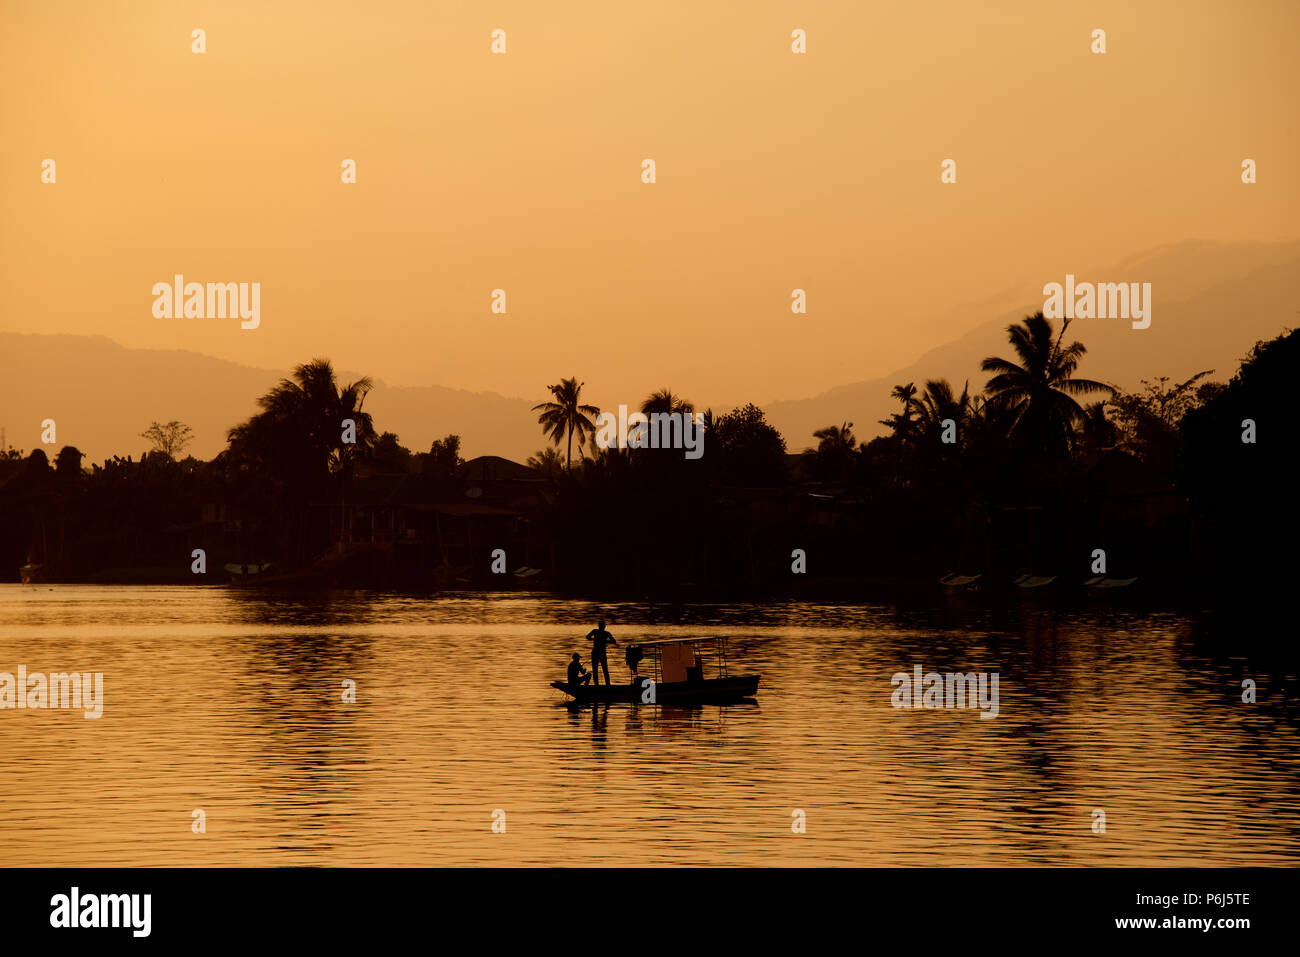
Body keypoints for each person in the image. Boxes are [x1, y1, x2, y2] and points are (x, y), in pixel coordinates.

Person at [585, 618, 617, 686]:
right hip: (600, 653)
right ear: (604, 626)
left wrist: (595, 639)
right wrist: (604, 641)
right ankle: (606, 684)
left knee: (597, 669)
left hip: (596, 653)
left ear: (599, 626)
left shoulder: (595, 631)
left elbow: (587, 637)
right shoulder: (606, 633)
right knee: (603, 669)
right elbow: (614, 641)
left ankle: (598, 684)